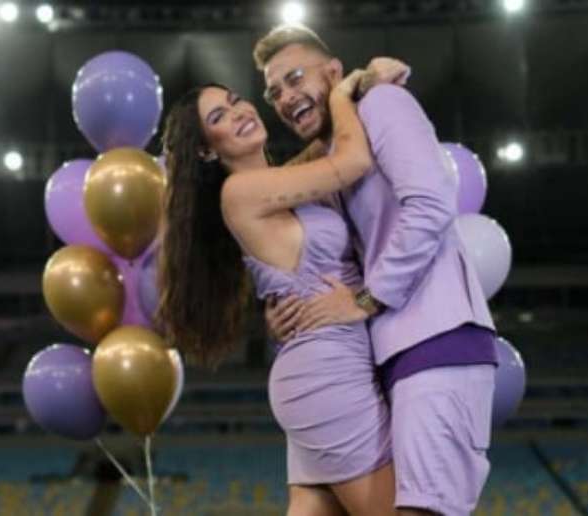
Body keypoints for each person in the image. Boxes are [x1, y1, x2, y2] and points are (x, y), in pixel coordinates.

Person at [256, 25, 498, 516]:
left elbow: (431, 204)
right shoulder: (332, 159)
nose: (285, 96)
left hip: (438, 339)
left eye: (295, 77)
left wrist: (366, 299)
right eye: (274, 91)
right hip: (383, 356)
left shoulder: (383, 104)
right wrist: (280, 312)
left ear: (335, 73)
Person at [157, 61, 408, 515]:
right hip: (328, 376)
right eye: (218, 118)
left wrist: (361, 86)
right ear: (207, 152)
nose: (238, 112)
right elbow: (351, 160)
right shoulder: (240, 193)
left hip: (324, 367)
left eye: (234, 101)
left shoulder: (277, 182)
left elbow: (321, 154)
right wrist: (340, 93)